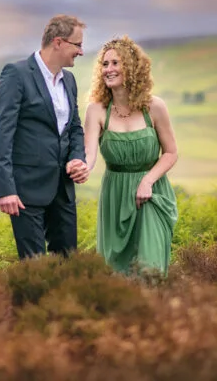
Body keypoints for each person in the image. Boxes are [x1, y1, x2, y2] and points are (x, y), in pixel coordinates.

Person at [0, 14, 90, 259]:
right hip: (26, 191)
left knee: (68, 264)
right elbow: (2, 132)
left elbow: (74, 128)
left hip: (63, 189)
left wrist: (78, 158)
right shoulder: (16, 74)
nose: (81, 51)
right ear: (58, 42)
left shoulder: (69, 80)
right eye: (77, 45)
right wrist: (5, 189)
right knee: (34, 267)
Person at [83, 36, 179, 275]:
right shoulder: (96, 110)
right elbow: (89, 155)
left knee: (150, 269)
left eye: (116, 63)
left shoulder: (154, 107)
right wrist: (80, 167)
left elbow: (171, 152)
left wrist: (147, 181)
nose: (109, 69)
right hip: (115, 197)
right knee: (116, 273)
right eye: (105, 64)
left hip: (151, 195)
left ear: (132, 68)